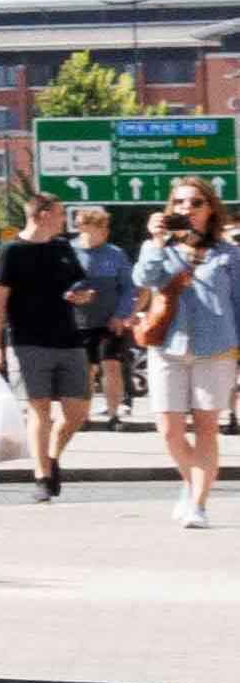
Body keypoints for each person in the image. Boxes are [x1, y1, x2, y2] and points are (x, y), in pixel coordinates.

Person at [0, 200, 92, 502]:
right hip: (27, 341)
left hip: (68, 338)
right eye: (58, 213)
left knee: (78, 410)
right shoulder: (12, 252)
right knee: (39, 408)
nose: (63, 220)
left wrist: (82, 295)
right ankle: (42, 476)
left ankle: (52, 454)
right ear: (42, 215)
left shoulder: (62, 249)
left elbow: (80, 285)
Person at [147, 195, 240, 528]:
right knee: (169, 430)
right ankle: (192, 480)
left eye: (196, 202)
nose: (187, 208)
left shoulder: (230, 254)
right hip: (168, 347)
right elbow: (144, 279)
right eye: (180, 202)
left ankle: (198, 504)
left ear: (209, 209)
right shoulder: (160, 248)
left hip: (215, 349)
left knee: (206, 429)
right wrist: (156, 241)